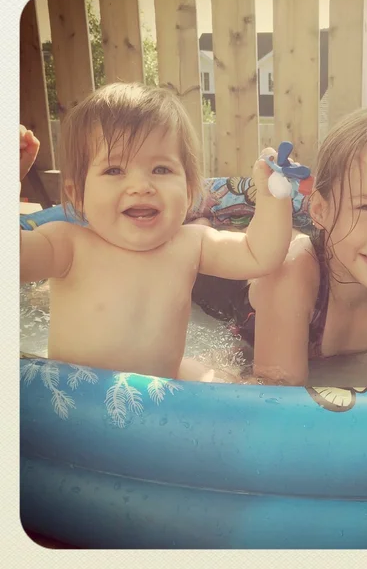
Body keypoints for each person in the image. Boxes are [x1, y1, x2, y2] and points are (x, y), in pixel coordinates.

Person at [19, 82, 292, 380]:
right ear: (77, 196)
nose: (140, 187)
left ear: (189, 192)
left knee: (231, 384)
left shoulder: (191, 244)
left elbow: (260, 255)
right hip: (81, 404)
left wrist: (271, 196)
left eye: (161, 169)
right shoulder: (66, 245)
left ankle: (218, 365)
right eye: (114, 170)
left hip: (162, 396)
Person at [196, 106, 367, 386]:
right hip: (226, 287)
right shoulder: (292, 279)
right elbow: (279, 398)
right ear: (319, 209)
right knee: (202, 244)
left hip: (314, 252)